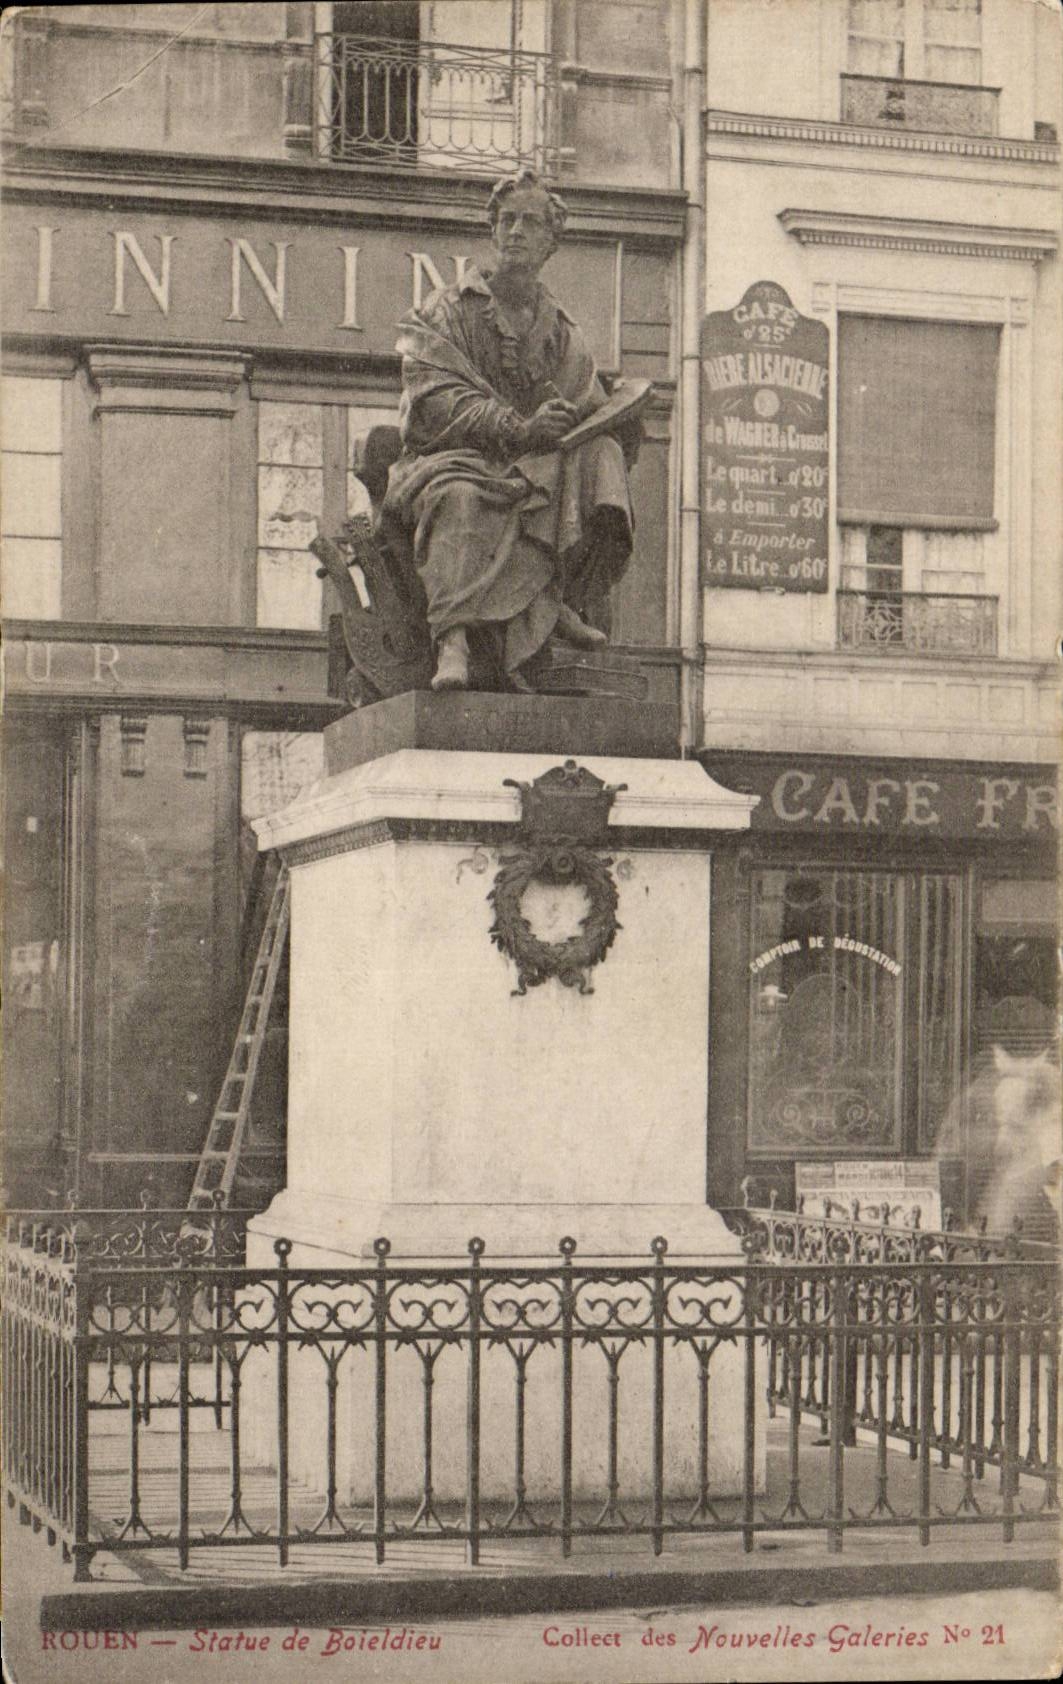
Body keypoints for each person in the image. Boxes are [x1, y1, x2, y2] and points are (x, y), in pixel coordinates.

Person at [380, 169, 637, 692]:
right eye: (507, 220)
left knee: (603, 455)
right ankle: (453, 639)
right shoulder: (445, 309)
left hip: (532, 462)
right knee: (460, 496)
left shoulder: (561, 328)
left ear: (551, 242)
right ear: (493, 230)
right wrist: (519, 428)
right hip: (450, 457)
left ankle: (556, 598)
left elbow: (581, 396)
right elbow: (433, 397)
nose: (516, 231)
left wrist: (607, 415)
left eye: (531, 223)